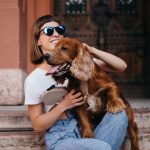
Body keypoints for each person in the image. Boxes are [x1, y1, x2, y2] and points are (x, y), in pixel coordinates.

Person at [24, 15, 128, 150]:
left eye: (59, 29)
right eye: (49, 31)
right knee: (101, 148)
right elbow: (37, 126)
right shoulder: (34, 79)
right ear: (38, 40)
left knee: (119, 115)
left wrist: (92, 51)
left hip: (90, 126)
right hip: (62, 135)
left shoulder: (78, 64)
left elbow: (121, 66)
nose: (56, 34)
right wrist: (64, 105)